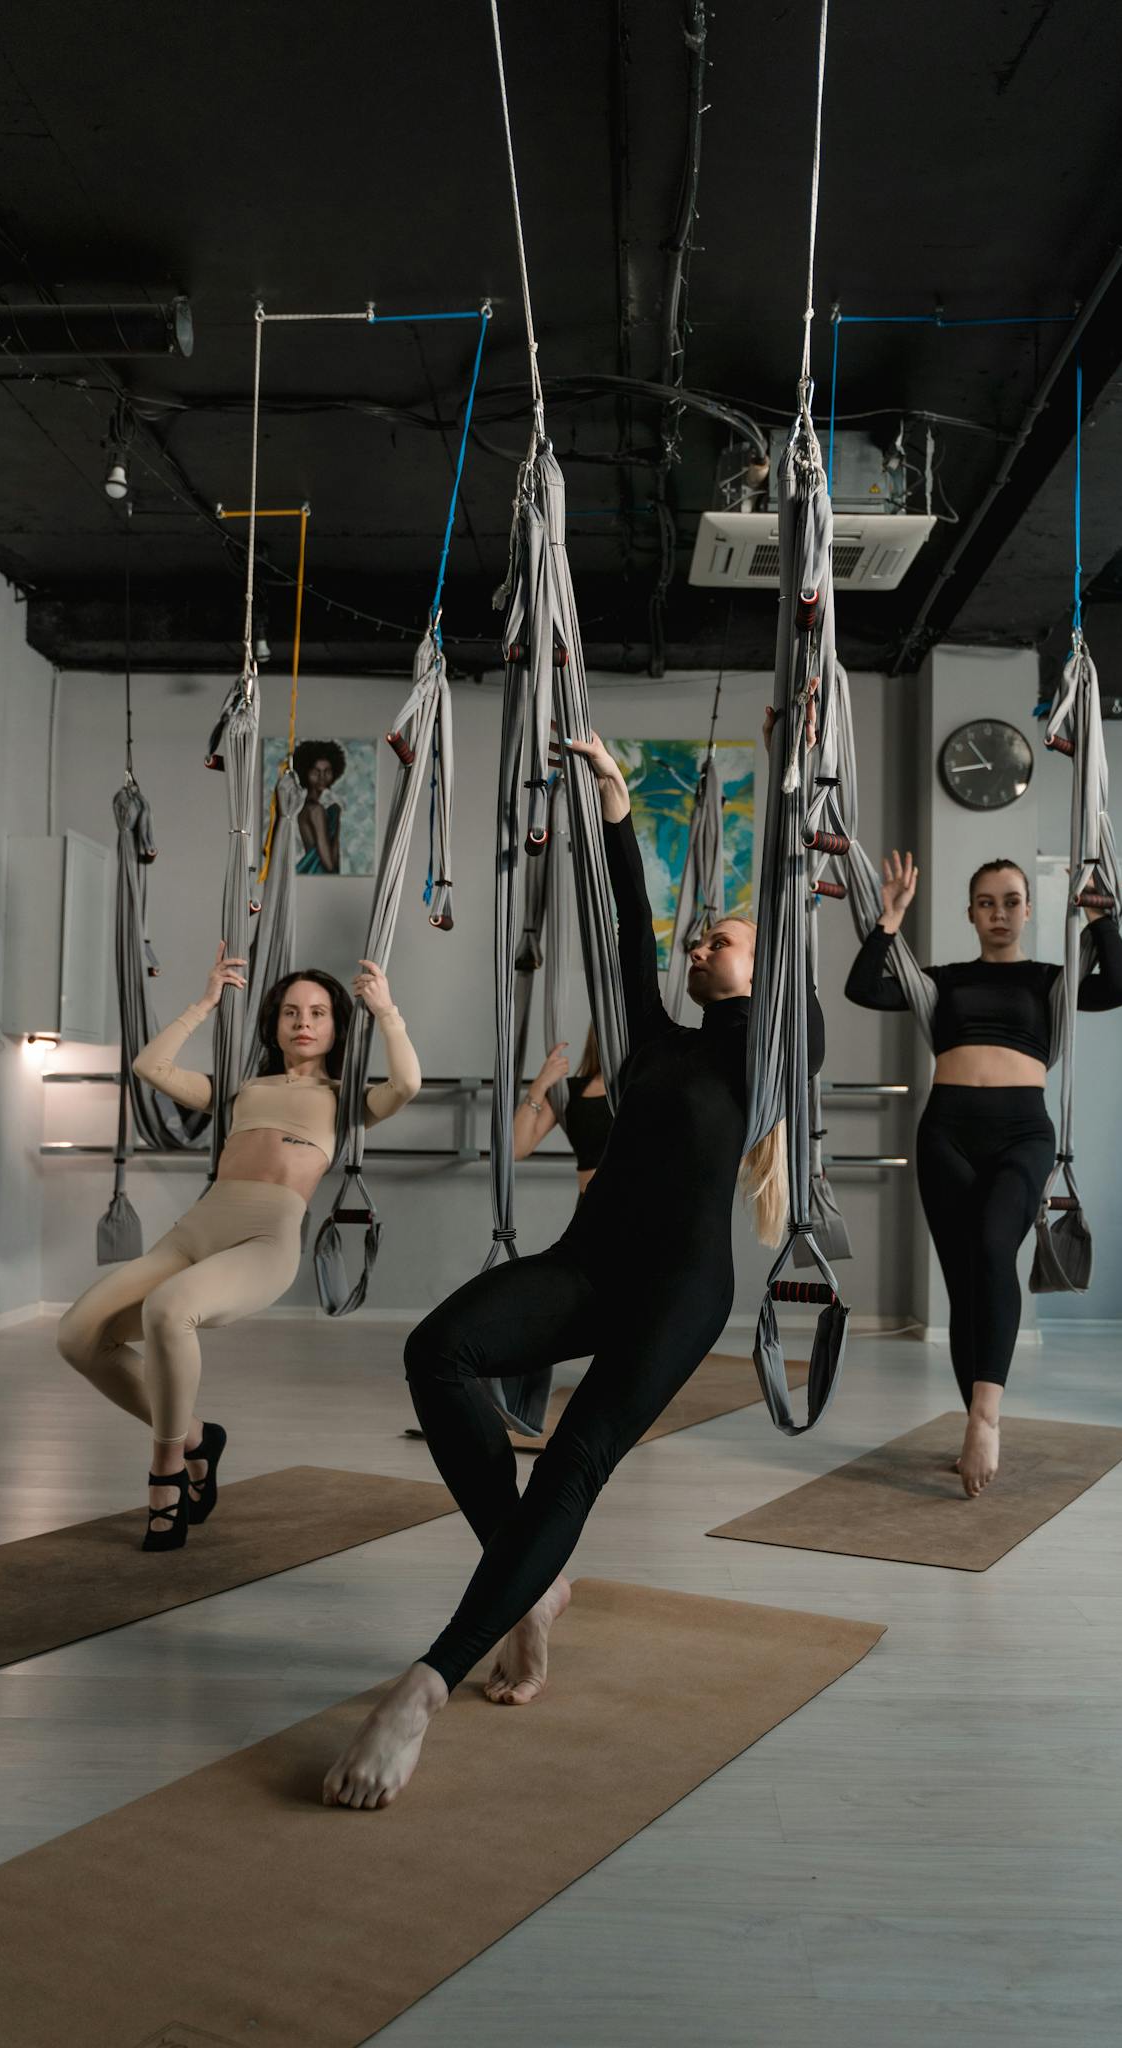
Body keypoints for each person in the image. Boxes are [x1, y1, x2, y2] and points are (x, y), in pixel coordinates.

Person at [323, 703, 823, 1812]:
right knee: (438, 1350)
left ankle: (425, 1684)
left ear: (765, 962)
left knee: (572, 1464)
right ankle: (529, 1586)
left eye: (721, 939)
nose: (700, 948)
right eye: (698, 941)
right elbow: (625, 927)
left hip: (680, 1293)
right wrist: (610, 801)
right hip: (590, 1260)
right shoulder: (648, 1038)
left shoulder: (771, 1046)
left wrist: (796, 772)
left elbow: (785, 932)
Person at [58, 951, 420, 1548]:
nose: (303, 1022)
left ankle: (167, 1472)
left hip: (264, 1237)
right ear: (273, 1024)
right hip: (196, 1229)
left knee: (170, 1310)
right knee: (77, 1336)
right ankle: (199, 1438)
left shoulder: (344, 1096)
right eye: (290, 1012)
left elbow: (406, 1083)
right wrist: (204, 1004)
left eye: (319, 1013)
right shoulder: (240, 1086)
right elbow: (151, 1065)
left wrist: (386, 1012)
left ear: (335, 1028)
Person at [845, 852, 1122, 1497]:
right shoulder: (943, 980)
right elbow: (864, 989)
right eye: (986, 902)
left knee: (991, 1248)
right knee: (964, 1284)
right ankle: (969, 1422)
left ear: (1029, 908)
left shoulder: (1049, 980)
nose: (999, 913)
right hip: (946, 1132)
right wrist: (888, 920)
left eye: (1011, 900)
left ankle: (985, 1417)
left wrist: (1103, 918)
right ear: (970, 912)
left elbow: (1121, 986)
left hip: (1023, 1134)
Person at [512, 1022, 613, 1197]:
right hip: (593, 1213)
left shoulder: (649, 1088)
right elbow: (516, 1149)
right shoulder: (571, 1093)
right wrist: (540, 1084)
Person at [293, 739, 346, 875]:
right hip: (319, 873)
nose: (322, 777)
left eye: (327, 771)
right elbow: (329, 864)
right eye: (316, 772)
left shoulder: (307, 808)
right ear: (306, 773)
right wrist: (337, 822)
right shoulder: (316, 810)